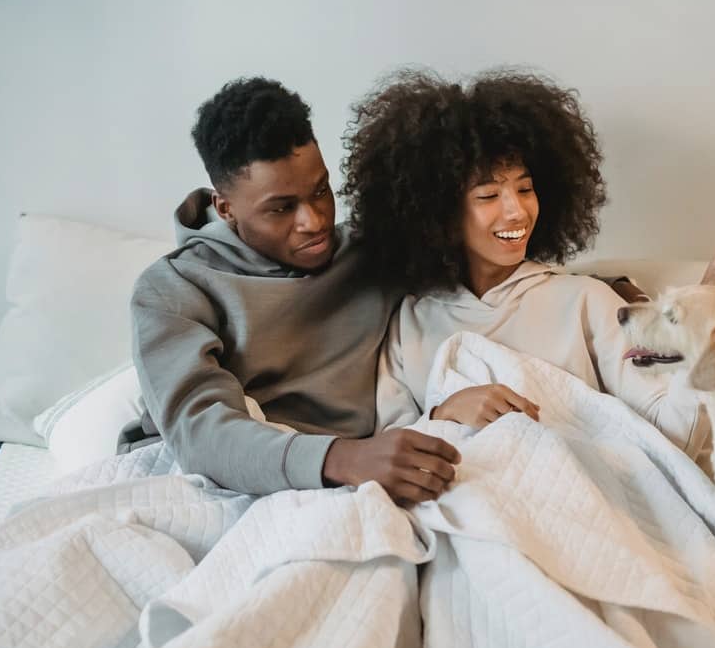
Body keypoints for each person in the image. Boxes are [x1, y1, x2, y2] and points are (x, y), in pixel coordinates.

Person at [340, 69, 715, 457]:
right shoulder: (410, 322)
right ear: (440, 213)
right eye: (488, 196)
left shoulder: (586, 301)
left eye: (525, 189)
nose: (516, 212)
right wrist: (446, 411)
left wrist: (706, 313)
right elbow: (390, 456)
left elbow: (673, 435)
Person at [122, 77, 461, 504]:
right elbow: (199, 431)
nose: (314, 221)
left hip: (365, 467)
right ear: (225, 208)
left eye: (320, 191)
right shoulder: (173, 288)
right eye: (281, 208)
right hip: (229, 475)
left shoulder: (371, 252)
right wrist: (344, 458)